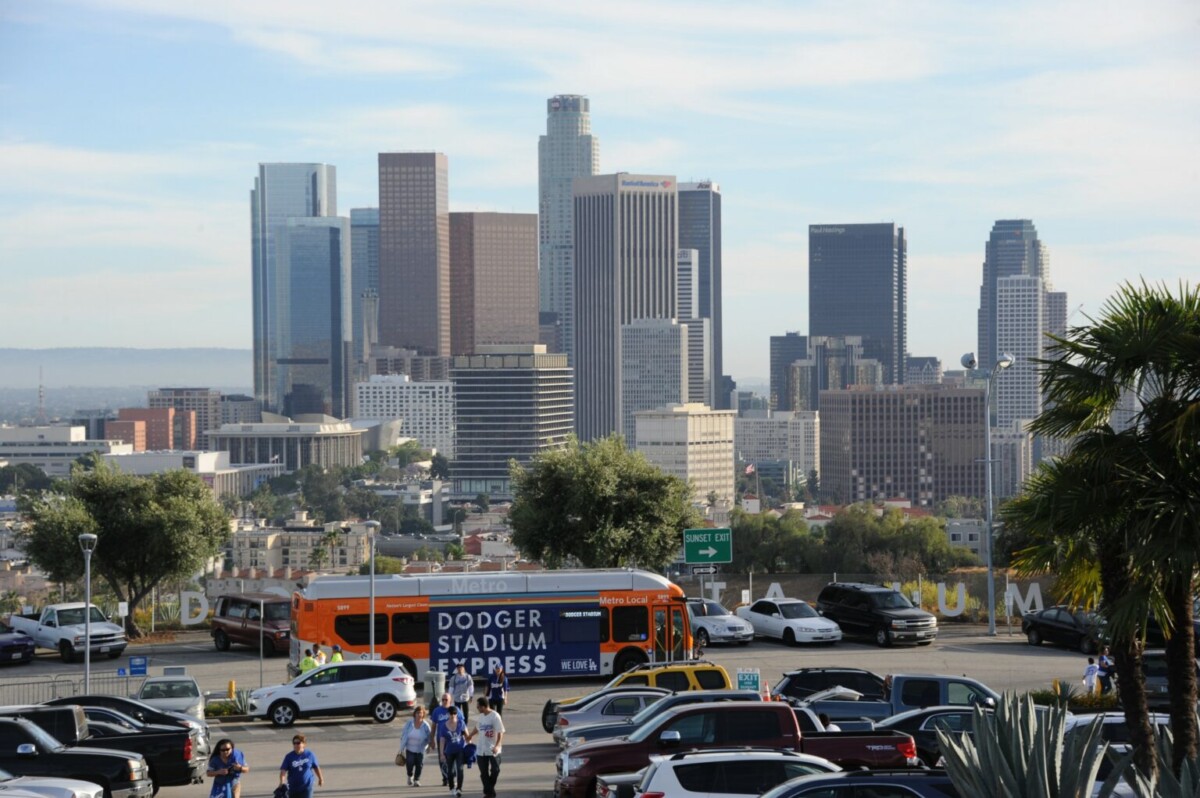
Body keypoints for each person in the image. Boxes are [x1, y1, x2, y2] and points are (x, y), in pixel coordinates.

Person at [469, 696, 504, 798]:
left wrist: (497, 745)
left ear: (484, 707)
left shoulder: (495, 716)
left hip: (493, 749)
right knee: (483, 772)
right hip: (481, 749)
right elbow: (477, 727)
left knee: (495, 770)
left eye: (478, 706)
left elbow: (500, 732)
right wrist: (470, 735)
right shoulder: (481, 716)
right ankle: (490, 793)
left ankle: (488, 790)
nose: (477, 708)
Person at [437, 705, 469, 797]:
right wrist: (442, 753)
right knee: (450, 772)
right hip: (449, 751)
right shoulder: (444, 726)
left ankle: (459, 788)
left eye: (455, 713)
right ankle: (452, 787)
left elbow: (467, 735)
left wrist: (469, 744)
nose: (453, 715)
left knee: (460, 769)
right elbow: (442, 740)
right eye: (451, 713)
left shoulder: (461, 723)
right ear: (448, 714)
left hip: (460, 750)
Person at [279, 734, 323, 798]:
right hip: (293, 788)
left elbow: (316, 767)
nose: (296, 745)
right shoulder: (289, 757)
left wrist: (320, 778)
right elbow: (283, 771)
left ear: (304, 744)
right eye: (294, 743)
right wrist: (282, 782)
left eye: (298, 743)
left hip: (307, 786)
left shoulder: (310, 755)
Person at [399, 705, 434, 787]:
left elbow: (429, 736)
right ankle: (410, 775)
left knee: (419, 764)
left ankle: (416, 780)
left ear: (423, 714)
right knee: (409, 763)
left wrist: (429, 746)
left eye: (421, 713)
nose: (419, 714)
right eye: (417, 713)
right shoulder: (409, 723)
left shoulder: (425, 725)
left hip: (420, 748)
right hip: (410, 748)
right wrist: (402, 747)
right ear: (414, 714)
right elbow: (404, 734)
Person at [429, 693, 454, 786]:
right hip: (441, 739)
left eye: (446, 700)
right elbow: (433, 726)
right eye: (442, 700)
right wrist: (432, 739)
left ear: (450, 701)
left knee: (452, 758)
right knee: (442, 758)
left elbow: (461, 725)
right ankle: (445, 778)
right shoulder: (437, 711)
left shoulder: (454, 710)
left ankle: (452, 775)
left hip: (452, 739)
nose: (444, 701)